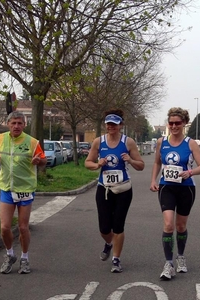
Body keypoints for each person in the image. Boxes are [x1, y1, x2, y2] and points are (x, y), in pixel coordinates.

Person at [150, 107, 200, 280]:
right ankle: (168, 264)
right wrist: (153, 180)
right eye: (171, 123)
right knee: (168, 225)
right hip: (166, 186)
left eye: (177, 123)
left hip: (186, 187)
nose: (174, 126)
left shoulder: (191, 143)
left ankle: (180, 256)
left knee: (181, 226)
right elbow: (157, 163)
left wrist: (190, 172)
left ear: (184, 124)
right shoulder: (161, 142)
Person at [85, 109, 145, 273]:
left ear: (120, 125)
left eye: (114, 124)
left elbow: (141, 165)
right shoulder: (99, 142)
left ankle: (116, 259)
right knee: (104, 228)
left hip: (124, 188)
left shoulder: (128, 142)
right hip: (104, 189)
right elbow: (87, 162)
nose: (111, 127)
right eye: (109, 124)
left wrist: (130, 160)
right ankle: (109, 243)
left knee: (118, 226)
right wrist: (98, 164)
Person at [0, 111, 47, 274]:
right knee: (5, 227)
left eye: (20, 123)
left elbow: (44, 160)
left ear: (24, 125)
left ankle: (25, 258)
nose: (16, 126)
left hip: (25, 189)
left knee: (22, 227)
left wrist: (38, 160)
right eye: (13, 123)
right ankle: (10, 255)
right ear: (8, 124)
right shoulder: (1, 139)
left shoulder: (32, 142)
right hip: (6, 187)